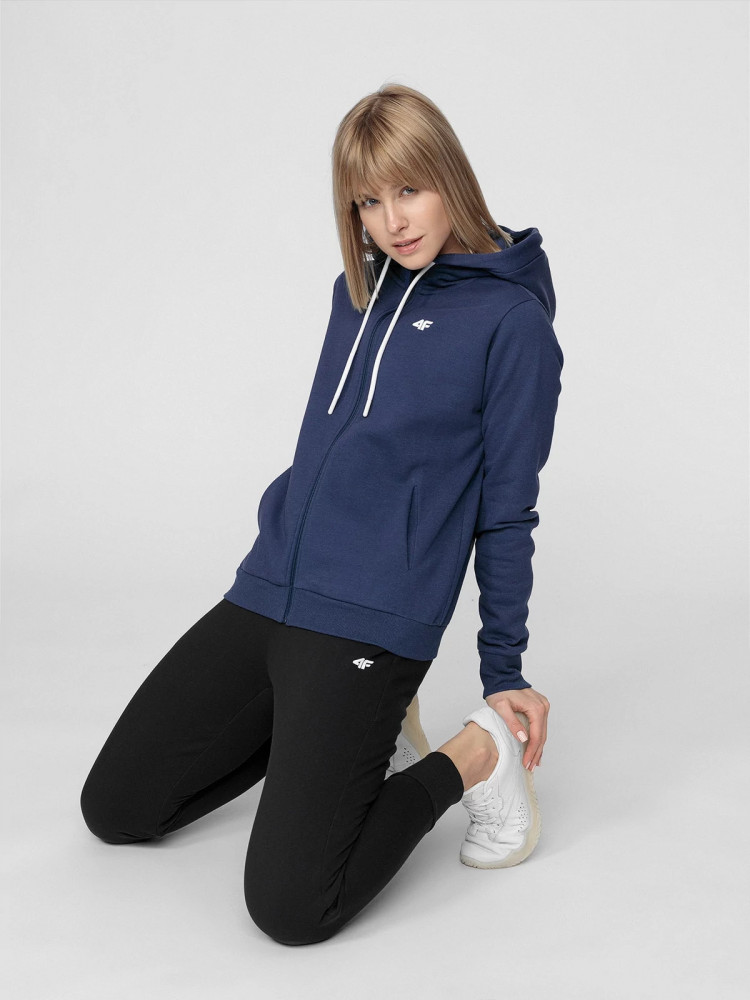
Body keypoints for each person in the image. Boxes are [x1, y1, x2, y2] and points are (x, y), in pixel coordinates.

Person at [80, 82, 564, 947]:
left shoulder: (511, 323)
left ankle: (471, 756)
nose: (393, 222)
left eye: (409, 189)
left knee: (290, 909)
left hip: (373, 620)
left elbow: (507, 510)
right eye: (368, 202)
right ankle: (359, 732)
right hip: (272, 589)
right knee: (116, 808)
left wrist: (503, 669)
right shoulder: (356, 293)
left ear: (451, 177)